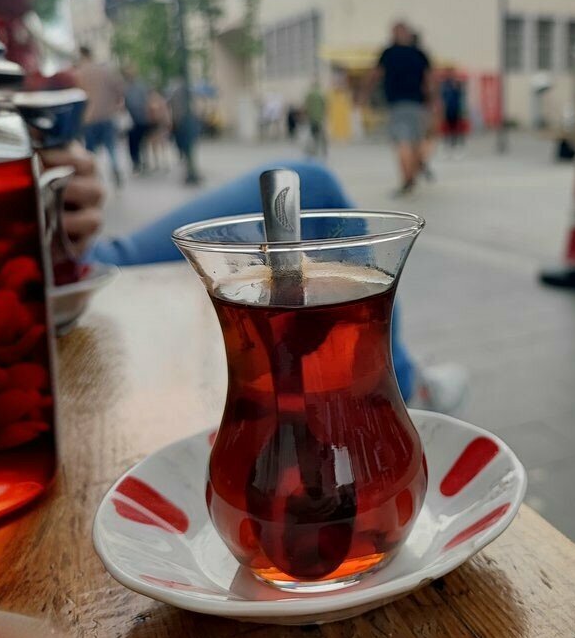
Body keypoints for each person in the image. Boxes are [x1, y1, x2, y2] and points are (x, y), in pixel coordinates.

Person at [40, 144, 468, 413]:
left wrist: (56, 198)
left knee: (313, 188)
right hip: (39, 284)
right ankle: (396, 396)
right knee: (314, 185)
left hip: (57, 266)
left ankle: (391, 393)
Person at [369, 21, 432, 196]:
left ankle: (407, 180)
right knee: (415, 141)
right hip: (417, 104)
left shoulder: (388, 53)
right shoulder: (420, 54)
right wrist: (433, 102)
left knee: (402, 143)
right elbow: (429, 81)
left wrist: (364, 94)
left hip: (396, 104)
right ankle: (414, 171)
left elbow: (375, 75)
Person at [74, 45, 125, 187]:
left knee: (90, 151)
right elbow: (119, 89)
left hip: (89, 118)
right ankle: (115, 170)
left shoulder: (79, 73)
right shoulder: (105, 70)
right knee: (111, 147)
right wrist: (116, 105)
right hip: (107, 115)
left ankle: (94, 177)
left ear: (81, 55)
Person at [166, 77, 202, 185]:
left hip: (182, 124)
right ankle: (190, 168)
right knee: (186, 146)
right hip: (183, 124)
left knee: (186, 146)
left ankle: (189, 168)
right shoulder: (184, 92)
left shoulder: (177, 93)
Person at [122, 63, 152, 174]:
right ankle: (136, 162)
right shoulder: (124, 86)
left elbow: (146, 101)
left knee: (142, 141)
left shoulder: (140, 86)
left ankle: (143, 161)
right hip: (131, 119)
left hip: (141, 118)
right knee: (132, 142)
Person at [439, 68, 466, 155]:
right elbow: (441, 97)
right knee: (447, 127)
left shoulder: (457, 84)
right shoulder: (444, 85)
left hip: (456, 109)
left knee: (456, 127)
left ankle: (456, 145)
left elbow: (461, 96)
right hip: (447, 109)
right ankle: (447, 145)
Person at [303, 79, 328, 157]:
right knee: (322, 135)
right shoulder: (320, 94)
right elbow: (325, 105)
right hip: (319, 117)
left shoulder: (309, 94)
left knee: (313, 134)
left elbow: (305, 106)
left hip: (312, 118)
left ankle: (312, 150)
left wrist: (307, 115)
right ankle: (324, 151)